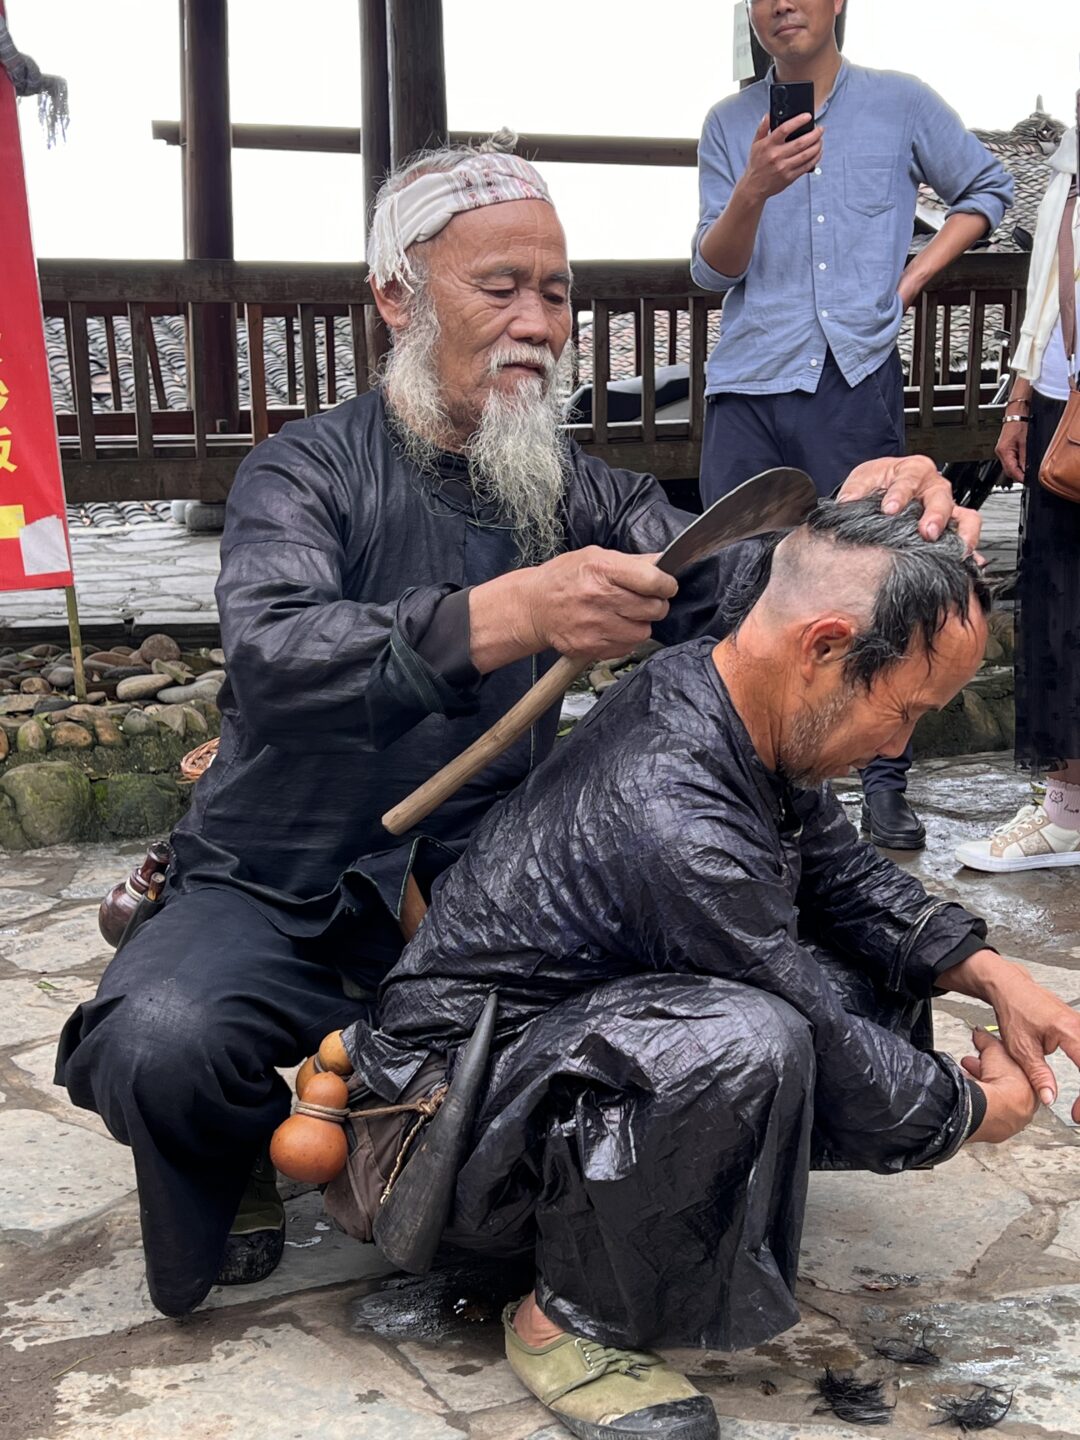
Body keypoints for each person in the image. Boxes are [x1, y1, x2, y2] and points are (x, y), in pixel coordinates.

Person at [54, 138, 974, 1322]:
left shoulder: (576, 489)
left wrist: (864, 529)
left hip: (495, 900)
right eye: (500, 287)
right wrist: (504, 614)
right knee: (161, 1041)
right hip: (279, 880)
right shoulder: (301, 475)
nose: (538, 320)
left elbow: (741, 592)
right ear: (396, 295)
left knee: (818, 971)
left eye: (557, 291)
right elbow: (277, 659)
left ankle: (546, 1218)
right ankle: (236, 1158)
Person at [342, 499, 1080, 1440]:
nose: (900, 748)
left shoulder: (725, 693)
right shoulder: (672, 808)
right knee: (744, 1040)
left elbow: (839, 873)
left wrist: (991, 974)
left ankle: (671, 1205)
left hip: (536, 1068)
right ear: (822, 647)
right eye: (906, 711)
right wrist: (974, 1112)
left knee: (874, 968)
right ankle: (569, 1316)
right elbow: (802, 1011)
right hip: (442, 1138)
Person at [691, 0, 1014, 852]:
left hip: (852, 378)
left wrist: (909, 282)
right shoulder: (730, 122)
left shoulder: (900, 102)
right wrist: (755, 186)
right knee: (737, 584)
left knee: (877, 574)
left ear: (838, 2)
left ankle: (883, 787)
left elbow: (989, 188)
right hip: (748, 382)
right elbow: (709, 266)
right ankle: (740, 782)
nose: (781, 5)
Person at [956, 117, 1080, 872]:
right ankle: (1067, 811)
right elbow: (1049, 292)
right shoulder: (1069, 163)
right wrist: (1021, 399)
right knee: (1059, 598)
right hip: (1067, 412)